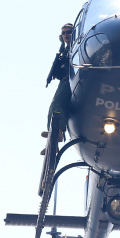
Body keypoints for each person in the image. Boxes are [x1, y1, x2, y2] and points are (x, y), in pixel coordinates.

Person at [43, 23, 74, 152]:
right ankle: (52, 142)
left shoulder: (77, 47)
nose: (66, 35)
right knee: (53, 108)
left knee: (57, 105)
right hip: (65, 80)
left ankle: (58, 132)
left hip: (71, 79)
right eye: (64, 33)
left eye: (69, 32)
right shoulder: (64, 51)